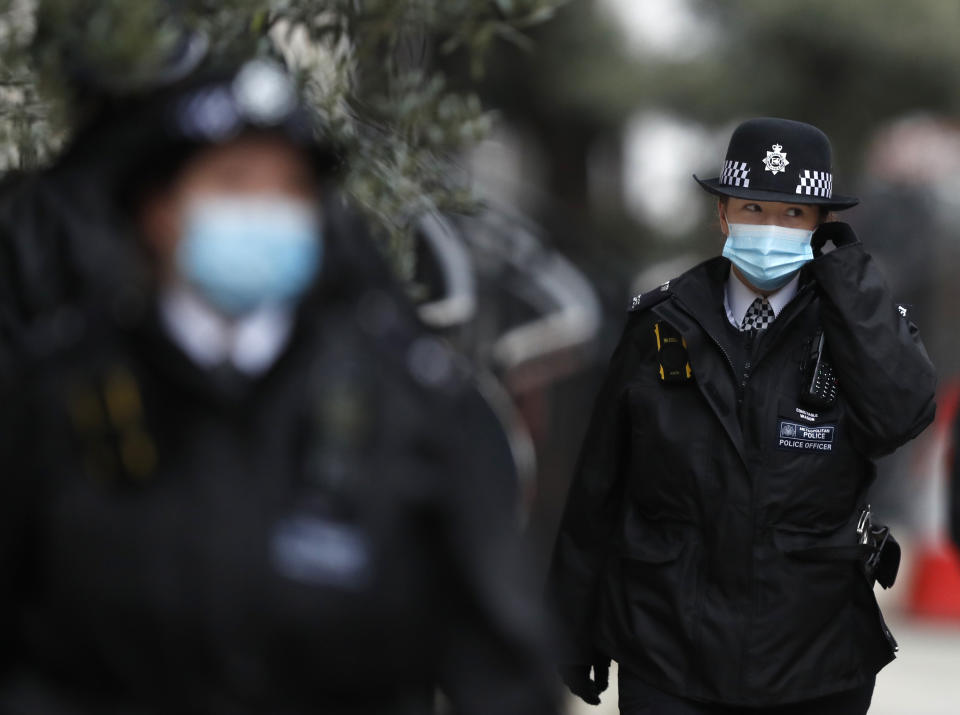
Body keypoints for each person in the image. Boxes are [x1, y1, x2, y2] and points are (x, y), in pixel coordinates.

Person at [0, 56, 559, 715]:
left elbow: (505, 668)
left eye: (288, 188)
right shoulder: (59, 398)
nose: (264, 213)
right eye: (233, 183)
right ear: (155, 209)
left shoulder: (414, 410)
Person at [547, 117, 937, 714]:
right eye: (753, 208)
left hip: (814, 659)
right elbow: (599, 485)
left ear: (821, 225)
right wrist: (572, 625)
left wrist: (851, 279)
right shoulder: (662, 324)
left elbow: (900, 417)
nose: (770, 228)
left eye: (793, 214)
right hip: (669, 652)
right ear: (723, 215)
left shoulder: (858, 329)